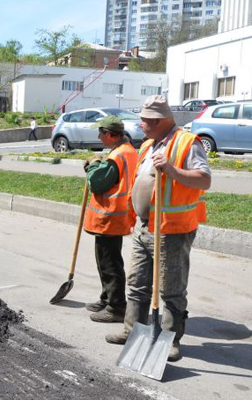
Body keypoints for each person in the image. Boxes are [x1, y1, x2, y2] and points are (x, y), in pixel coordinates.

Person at [105, 95, 211, 362]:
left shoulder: (188, 143)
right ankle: (132, 332)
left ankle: (170, 340)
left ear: (160, 121)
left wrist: (172, 170)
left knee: (171, 289)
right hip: (145, 228)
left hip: (172, 230)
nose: (140, 124)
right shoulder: (149, 145)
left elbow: (204, 180)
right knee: (138, 283)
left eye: (145, 120)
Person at [82, 116, 139, 323]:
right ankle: (107, 298)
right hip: (116, 217)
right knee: (107, 261)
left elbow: (97, 183)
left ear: (109, 134)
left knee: (110, 264)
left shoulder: (118, 156)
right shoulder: (128, 151)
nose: (98, 136)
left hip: (110, 218)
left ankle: (116, 307)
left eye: (100, 133)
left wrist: (92, 167)